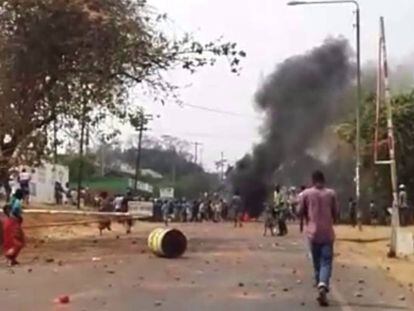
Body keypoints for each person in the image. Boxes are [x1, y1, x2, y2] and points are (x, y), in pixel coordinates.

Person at [299, 170, 338, 307]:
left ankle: (319, 283)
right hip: (327, 233)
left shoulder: (306, 194)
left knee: (317, 261)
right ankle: (323, 284)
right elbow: (335, 213)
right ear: (323, 180)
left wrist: (305, 219)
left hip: (313, 233)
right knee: (326, 261)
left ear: (313, 180)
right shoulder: (331, 194)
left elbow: (300, 211)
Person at [2, 189, 25, 266]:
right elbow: (15, 210)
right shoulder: (18, 202)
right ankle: (10, 257)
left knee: (11, 242)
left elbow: (5, 208)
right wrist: (18, 216)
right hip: (14, 223)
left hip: (8, 222)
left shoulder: (12, 199)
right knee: (18, 242)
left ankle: (12, 259)